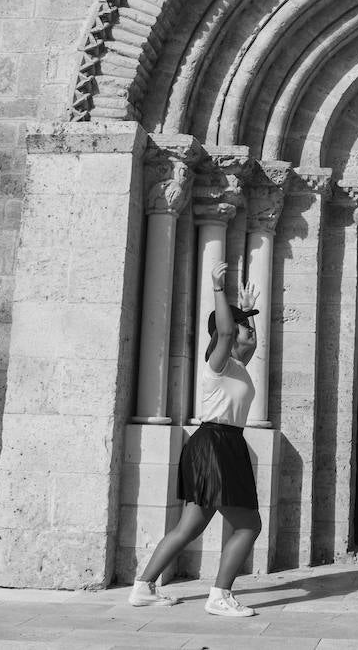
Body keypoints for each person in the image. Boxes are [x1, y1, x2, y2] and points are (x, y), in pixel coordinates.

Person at [127, 262, 262, 618]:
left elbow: (248, 341)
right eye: (244, 325)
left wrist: (248, 311)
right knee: (250, 525)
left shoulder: (239, 367)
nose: (249, 331)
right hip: (216, 444)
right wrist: (218, 289)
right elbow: (227, 332)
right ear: (227, 332)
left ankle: (143, 587)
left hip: (220, 444)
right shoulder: (217, 365)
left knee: (190, 526)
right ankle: (220, 596)